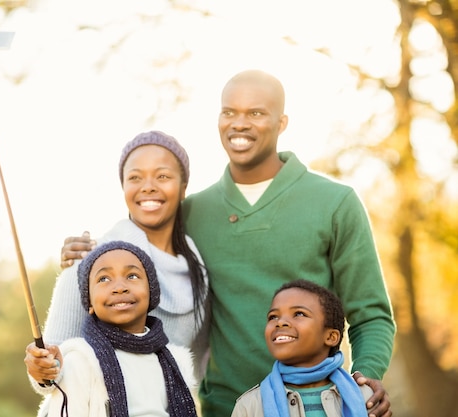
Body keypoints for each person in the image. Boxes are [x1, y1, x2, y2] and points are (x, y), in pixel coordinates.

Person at [59, 69, 396, 417]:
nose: (240, 124)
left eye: (256, 113)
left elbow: (370, 314)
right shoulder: (194, 211)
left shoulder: (335, 203)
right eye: (229, 112)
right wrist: (88, 251)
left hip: (320, 405)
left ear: (281, 123)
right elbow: (137, 245)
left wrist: (364, 381)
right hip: (226, 407)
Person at [24, 131, 209, 388]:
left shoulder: (198, 271)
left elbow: (197, 366)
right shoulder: (88, 260)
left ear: (183, 188)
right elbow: (51, 369)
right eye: (135, 177)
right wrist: (42, 367)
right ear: (123, 186)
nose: (148, 186)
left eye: (163, 176)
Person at [30, 240, 198, 416]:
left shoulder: (177, 363)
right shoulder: (81, 360)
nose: (119, 288)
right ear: (90, 303)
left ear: (152, 292)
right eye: (104, 279)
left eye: (132, 276)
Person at [231, 279, 372, 417]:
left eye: (299, 314)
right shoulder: (249, 407)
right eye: (273, 317)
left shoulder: (365, 398)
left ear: (330, 337)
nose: (280, 322)